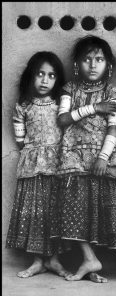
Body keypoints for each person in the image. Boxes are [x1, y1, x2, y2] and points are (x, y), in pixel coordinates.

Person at [50, 35, 116, 283]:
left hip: (100, 160)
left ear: (108, 65)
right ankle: (88, 258)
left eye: (98, 59)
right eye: (87, 60)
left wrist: (104, 157)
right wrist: (95, 108)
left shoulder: (112, 92)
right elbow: (63, 120)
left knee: (95, 214)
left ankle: (91, 264)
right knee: (72, 209)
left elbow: (114, 128)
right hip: (73, 158)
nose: (93, 65)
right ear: (77, 64)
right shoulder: (69, 89)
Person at [6, 51, 71, 278]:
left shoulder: (60, 107)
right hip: (32, 167)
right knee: (35, 213)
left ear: (57, 79)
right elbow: (21, 137)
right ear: (30, 76)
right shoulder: (23, 106)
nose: (45, 80)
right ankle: (37, 261)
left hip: (56, 167)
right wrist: (33, 150)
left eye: (51, 75)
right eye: (40, 74)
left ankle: (53, 260)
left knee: (53, 213)